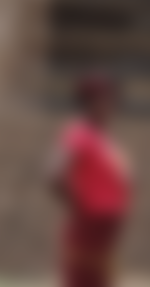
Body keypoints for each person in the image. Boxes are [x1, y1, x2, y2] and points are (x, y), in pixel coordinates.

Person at [50, 72, 130, 287]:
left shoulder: (101, 136)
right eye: (103, 99)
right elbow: (55, 172)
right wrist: (80, 204)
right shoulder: (79, 132)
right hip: (87, 228)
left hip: (104, 231)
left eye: (111, 99)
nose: (109, 105)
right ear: (88, 102)